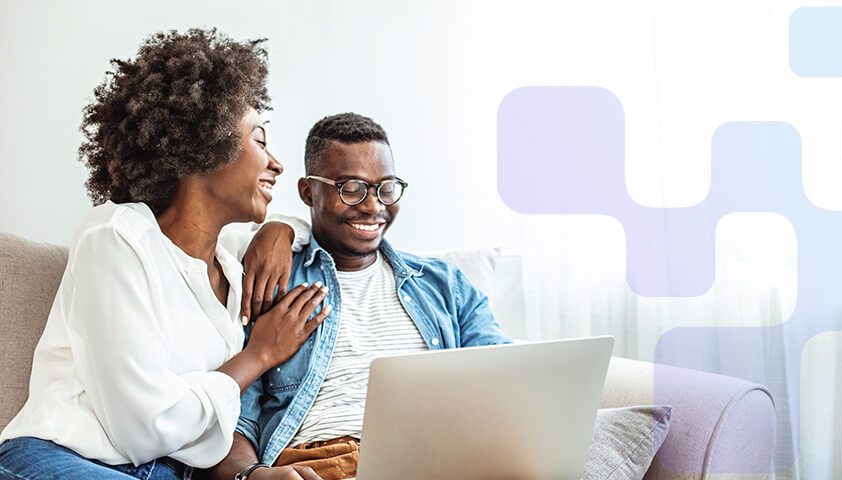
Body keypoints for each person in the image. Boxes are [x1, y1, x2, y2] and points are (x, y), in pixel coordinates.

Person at [0, 29, 329, 480]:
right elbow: (142, 428)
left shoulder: (232, 269)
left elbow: (319, 225)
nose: (277, 163)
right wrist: (259, 355)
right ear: (205, 144)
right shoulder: (117, 237)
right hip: (61, 459)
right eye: (260, 139)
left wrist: (279, 226)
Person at [210, 113, 512, 480]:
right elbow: (231, 418)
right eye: (351, 188)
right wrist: (253, 475)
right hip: (321, 464)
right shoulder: (271, 279)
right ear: (308, 192)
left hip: (438, 463)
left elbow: (508, 383)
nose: (373, 206)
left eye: (386, 188)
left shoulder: (446, 285)